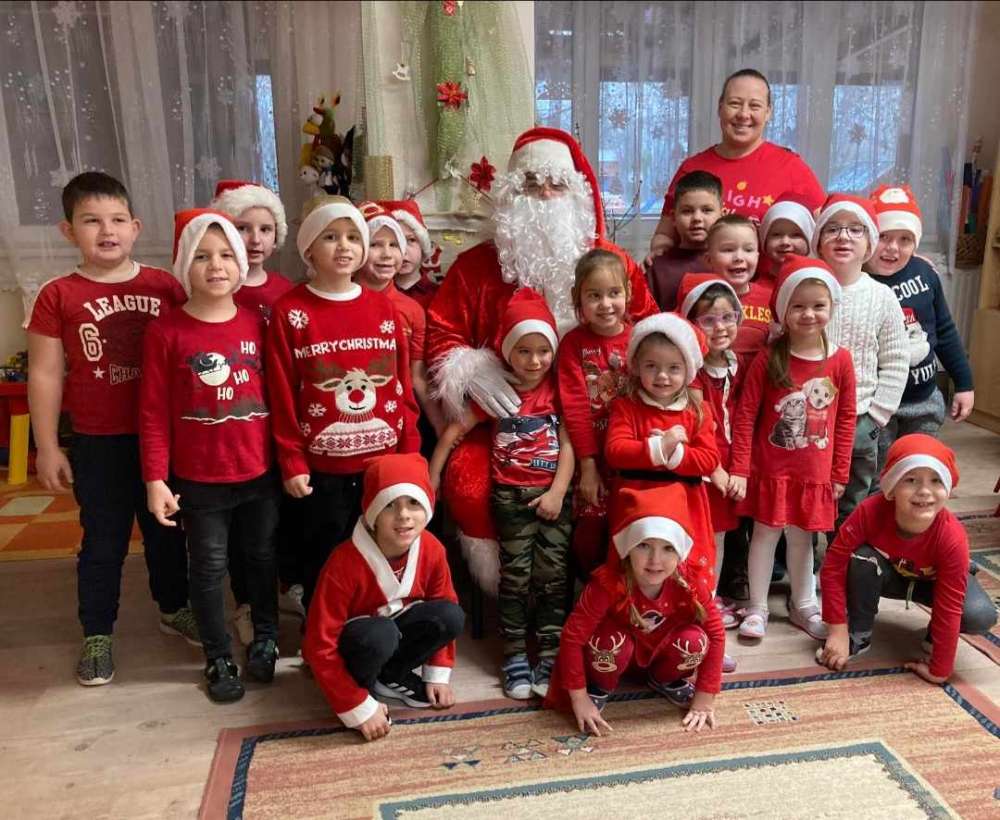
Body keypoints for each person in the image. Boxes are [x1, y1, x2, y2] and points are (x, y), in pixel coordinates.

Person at [426, 127, 657, 593]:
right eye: (531, 184)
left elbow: (650, 332)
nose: (546, 195)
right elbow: (441, 335)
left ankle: (615, 588)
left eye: (557, 183)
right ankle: (515, 592)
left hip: (603, 415)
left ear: (576, 193)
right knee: (470, 484)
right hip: (507, 421)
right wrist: (472, 369)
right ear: (511, 196)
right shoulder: (475, 267)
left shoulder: (610, 264)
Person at [26, 172, 196, 687]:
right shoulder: (58, 294)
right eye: (91, 221)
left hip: (162, 438)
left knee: (168, 530)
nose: (107, 231)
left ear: (135, 227)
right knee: (103, 541)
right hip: (98, 441)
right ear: (68, 230)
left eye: (118, 219)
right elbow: (45, 373)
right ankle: (97, 632)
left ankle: (174, 606)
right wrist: (48, 446)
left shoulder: (164, 286)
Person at [141, 209, 279, 703]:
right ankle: (218, 654)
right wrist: (155, 478)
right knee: (208, 567)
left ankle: (266, 637)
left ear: (241, 264)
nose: (215, 265)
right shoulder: (166, 332)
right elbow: (153, 412)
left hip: (260, 473)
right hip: (199, 479)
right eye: (202, 256)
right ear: (184, 265)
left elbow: (281, 396)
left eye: (225, 255)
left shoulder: (259, 323)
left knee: (261, 558)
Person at [266, 196, 420, 611]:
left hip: (381, 465)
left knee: (378, 555)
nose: (344, 246)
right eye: (330, 237)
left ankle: (373, 628)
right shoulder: (291, 312)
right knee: (325, 558)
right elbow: (282, 393)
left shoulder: (383, 308)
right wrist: (292, 460)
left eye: (354, 237)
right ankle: (324, 632)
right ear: (309, 249)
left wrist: (409, 452)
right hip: (323, 470)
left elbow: (401, 385)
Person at [430, 291, 573, 699]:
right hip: (511, 500)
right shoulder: (497, 394)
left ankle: (550, 653)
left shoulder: (558, 391)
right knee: (515, 578)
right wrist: (432, 476)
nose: (534, 361)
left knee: (553, 577)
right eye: (523, 351)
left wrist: (558, 493)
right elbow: (454, 432)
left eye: (543, 351)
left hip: (552, 499)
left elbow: (569, 444)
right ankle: (514, 654)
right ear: (508, 353)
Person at [729, 256, 856, 641]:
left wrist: (839, 473)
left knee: (803, 539)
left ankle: (804, 605)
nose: (808, 314)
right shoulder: (769, 358)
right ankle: (758, 607)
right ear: (783, 310)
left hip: (813, 474)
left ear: (831, 306)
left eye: (818, 305)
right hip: (771, 471)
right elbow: (745, 415)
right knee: (765, 535)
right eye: (798, 306)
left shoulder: (841, 360)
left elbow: (845, 418)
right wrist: (740, 468)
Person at [302, 454, 464, 741]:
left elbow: (445, 601)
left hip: (391, 634)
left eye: (413, 503)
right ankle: (363, 688)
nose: (404, 515)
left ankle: (391, 674)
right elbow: (319, 643)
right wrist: (356, 705)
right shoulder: (343, 563)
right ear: (372, 513)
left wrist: (437, 672)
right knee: (380, 633)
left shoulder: (432, 549)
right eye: (390, 505)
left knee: (450, 616)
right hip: (358, 643)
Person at [544, 484, 725, 735]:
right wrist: (580, 698)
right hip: (615, 655)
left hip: (662, 652)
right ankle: (601, 686)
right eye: (644, 545)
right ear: (628, 547)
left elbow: (716, 633)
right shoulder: (607, 584)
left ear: (681, 551)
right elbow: (572, 637)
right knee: (608, 641)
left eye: (668, 548)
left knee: (696, 641)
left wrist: (705, 697)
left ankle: (665, 679)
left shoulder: (691, 582)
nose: (655, 560)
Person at [818, 435, 997, 682]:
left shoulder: (952, 536)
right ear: (891, 488)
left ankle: (935, 636)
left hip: (936, 586)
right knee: (862, 559)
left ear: (947, 488)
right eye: (911, 480)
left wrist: (939, 670)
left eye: (936, 480)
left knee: (980, 613)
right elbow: (833, 565)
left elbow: (951, 604)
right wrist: (837, 629)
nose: (924, 491)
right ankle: (858, 633)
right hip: (890, 576)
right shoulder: (869, 511)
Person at [210, 179, 302, 641]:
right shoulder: (216, 290)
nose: (255, 239)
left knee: (279, 518)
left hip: (281, 421)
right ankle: (246, 601)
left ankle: (281, 587)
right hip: (235, 425)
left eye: (265, 229)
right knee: (240, 526)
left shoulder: (287, 292)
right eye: (243, 228)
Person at [647, 68, 824, 263]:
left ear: (768, 113)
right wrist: (659, 255)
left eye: (754, 106)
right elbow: (665, 235)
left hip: (770, 282)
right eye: (734, 104)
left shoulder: (792, 167)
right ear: (720, 108)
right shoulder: (692, 168)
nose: (743, 114)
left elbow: (825, 234)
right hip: (698, 280)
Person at [811, 194, 908, 530]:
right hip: (811, 417)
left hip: (861, 419)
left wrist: (878, 415)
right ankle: (798, 554)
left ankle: (844, 553)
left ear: (869, 242)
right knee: (808, 494)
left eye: (856, 229)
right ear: (818, 241)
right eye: (832, 229)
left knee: (853, 499)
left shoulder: (882, 297)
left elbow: (896, 359)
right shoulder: (805, 291)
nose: (843, 236)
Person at [866, 185, 975, 478]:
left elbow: (945, 331)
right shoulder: (858, 281)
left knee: (916, 469)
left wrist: (964, 383)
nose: (893, 247)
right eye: (883, 237)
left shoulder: (925, 274)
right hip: (878, 405)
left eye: (905, 239)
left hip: (925, 398)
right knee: (878, 476)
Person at [604, 313, 719, 590]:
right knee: (636, 569)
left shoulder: (698, 411)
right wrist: (658, 447)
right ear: (636, 366)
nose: (663, 376)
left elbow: (709, 460)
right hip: (637, 502)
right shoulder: (627, 407)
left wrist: (677, 453)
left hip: (687, 504)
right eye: (652, 366)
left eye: (673, 368)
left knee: (686, 572)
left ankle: (688, 612)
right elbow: (615, 451)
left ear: (688, 370)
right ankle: (633, 611)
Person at [557, 249, 634, 576]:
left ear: (627, 292)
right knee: (589, 533)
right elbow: (574, 407)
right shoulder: (573, 344)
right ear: (579, 299)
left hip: (630, 457)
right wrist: (587, 466)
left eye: (614, 293)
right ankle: (589, 589)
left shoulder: (638, 339)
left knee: (627, 529)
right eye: (594, 295)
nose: (606, 304)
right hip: (590, 455)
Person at [676, 273, 744, 628]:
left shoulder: (735, 363)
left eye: (728, 317)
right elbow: (697, 425)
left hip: (730, 465)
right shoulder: (692, 372)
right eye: (708, 320)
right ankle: (699, 600)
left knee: (720, 536)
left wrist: (738, 469)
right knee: (701, 537)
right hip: (705, 468)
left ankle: (710, 595)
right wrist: (715, 469)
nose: (720, 327)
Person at [356, 202, 446, 437]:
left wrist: (440, 426)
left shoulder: (412, 310)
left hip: (402, 415)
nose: (387, 254)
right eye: (375, 244)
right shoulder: (342, 302)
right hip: (354, 408)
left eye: (395, 245)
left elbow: (418, 377)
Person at [646, 170, 722, 311]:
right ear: (673, 218)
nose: (697, 218)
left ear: (722, 215)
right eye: (687, 211)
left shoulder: (727, 264)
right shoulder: (657, 268)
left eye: (706, 210)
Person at [703, 214, 771, 362]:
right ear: (708, 260)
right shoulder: (699, 300)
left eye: (748, 250)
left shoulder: (771, 299)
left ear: (758, 256)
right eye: (728, 250)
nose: (739, 257)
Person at [381, 199, 441, 309]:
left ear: (422, 246)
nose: (403, 251)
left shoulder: (438, 294)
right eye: (395, 243)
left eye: (411, 240)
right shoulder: (376, 294)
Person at [757, 193, 815, 284]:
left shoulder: (819, 286)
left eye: (795, 235)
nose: (785, 242)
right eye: (776, 234)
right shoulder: (754, 288)